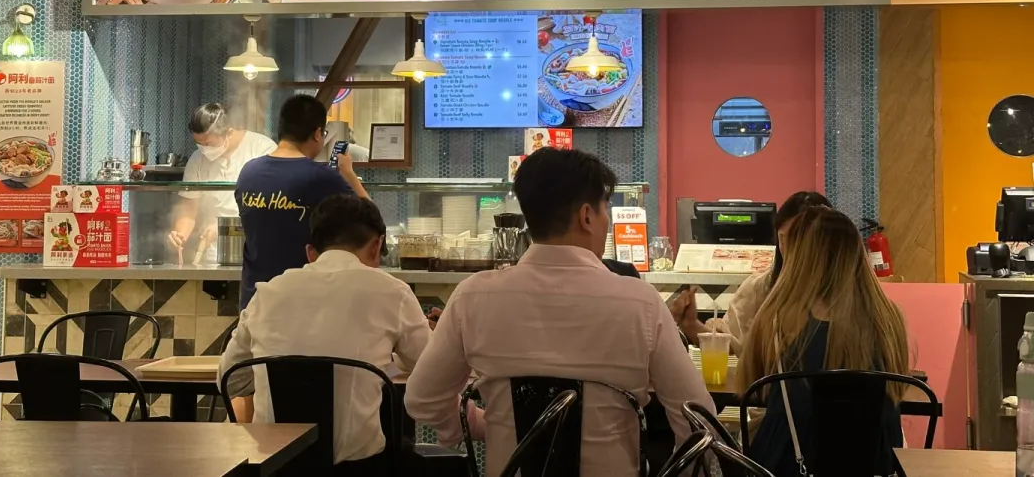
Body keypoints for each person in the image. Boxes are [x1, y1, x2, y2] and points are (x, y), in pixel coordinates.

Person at [405, 147, 714, 477]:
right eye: (605, 210)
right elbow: (699, 421)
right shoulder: (642, 303)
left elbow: (424, 399)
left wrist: (485, 425)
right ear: (586, 216)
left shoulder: (472, 296)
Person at [218, 193, 431, 473]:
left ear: (311, 253)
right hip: (361, 469)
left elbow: (229, 379)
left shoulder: (268, 292)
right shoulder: (393, 291)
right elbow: (431, 369)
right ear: (376, 246)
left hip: (276, 468)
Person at [737, 210, 909, 477]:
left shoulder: (777, 318)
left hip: (787, 463)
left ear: (801, 257)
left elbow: (752, 386)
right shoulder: (888, 319)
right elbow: (898, 388)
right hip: (877, 464)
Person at [234, 94, 369, 310]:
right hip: (302, 304)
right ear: (317, 134)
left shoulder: (248, 172)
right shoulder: (321, 177)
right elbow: (372, 220)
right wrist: (349, 174)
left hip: (255, 302)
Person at [670, 191, 833, 352]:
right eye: (783, 239)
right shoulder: (760, 286)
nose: (789, 248)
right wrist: (691, 325)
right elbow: (730, 343)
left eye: (798, 239)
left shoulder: (842, 288)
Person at [169, 103, 275, 260]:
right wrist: (180, 234)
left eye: (209, 144)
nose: (204, 149)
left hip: (258, 250)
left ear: (229, 133)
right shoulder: (197, 159)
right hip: (215, 254)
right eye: (199, 144)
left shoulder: (262, 149)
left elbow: (271, 209)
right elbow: (189, 208)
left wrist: (226, 228)